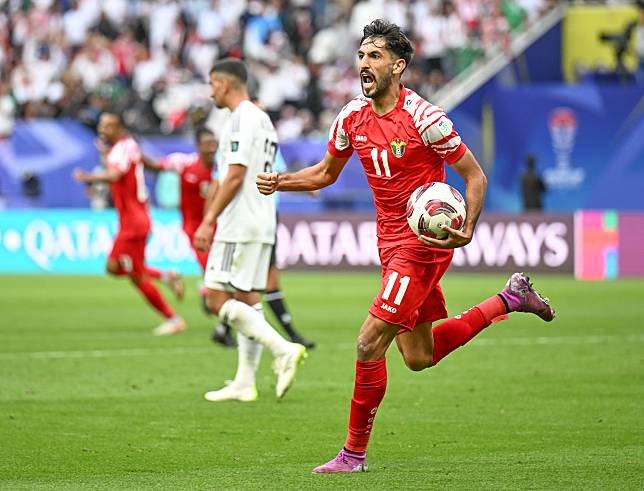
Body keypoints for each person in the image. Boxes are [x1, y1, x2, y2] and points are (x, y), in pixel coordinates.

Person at [257, 19, 556, 473]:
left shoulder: (426, 119)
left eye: (374, 56)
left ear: (398, 66)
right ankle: (509, 298)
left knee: (367, 343)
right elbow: (323, 173)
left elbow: (474, 175)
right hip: (389, 246)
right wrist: (281, 181)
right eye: (360, 55)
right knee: (419, 356)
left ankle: (352, 455)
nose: (363, 63)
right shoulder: (351, 117)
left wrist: (469, 227)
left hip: (422, 246)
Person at [193, 58, 307, 402]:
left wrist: (209, 218)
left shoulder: (242, 117)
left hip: (239, 223)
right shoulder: (261, 118)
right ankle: (245, 381)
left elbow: (236, 174)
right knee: (247, 298)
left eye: (213, 84)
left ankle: (283, 349)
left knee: (215, 299)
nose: (211, 91)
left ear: (224, 84)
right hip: (262, 221)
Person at [73, 112, 187, 336]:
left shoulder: (118, 151)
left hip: (133, 223)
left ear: (119, 128)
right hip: (135, 219)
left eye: (108, 126)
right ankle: (166, 277)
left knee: (134, 275)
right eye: (101, 126)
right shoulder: (129, 144)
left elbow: (115, 175)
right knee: (115, 267)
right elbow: (136, 165)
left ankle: (173, 319)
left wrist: (90, 177)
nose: (102, 130)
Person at [210, 148, 316, 350]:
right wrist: (210, 218)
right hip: (248, 218)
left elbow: (279, 177)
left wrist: (304, 185)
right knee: (256, 281)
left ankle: (224, 329)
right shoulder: (240, 138)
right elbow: (222, 180)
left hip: (263, 218)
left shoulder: (266, 139)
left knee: (251, 280)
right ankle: (288, 340)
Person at [143, 128, 237, 347]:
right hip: (196, 231)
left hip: (221, 228)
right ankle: (221, 321)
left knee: (226, 277)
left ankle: (212, 303)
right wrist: (137, 156)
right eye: (206, 143)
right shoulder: (183, 163)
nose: (211, 147)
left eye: (214, 143)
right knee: (219, 278)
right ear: (197, 146)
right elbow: (156, 166)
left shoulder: (222, 166)